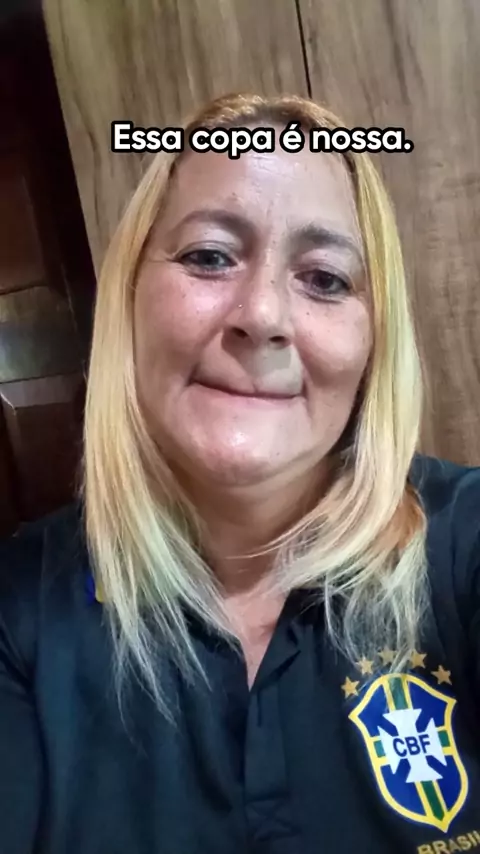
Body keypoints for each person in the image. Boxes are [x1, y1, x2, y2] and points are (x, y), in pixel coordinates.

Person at [0, 92, 479, 854]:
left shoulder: (464, 545)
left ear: (374, 340)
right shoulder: (20, 607)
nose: (262, 315)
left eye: (325, 278)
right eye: (209, 256)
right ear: (128, 297)